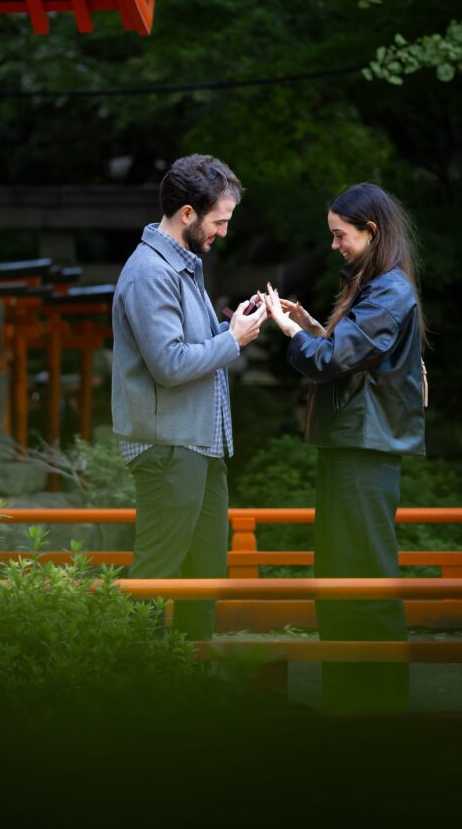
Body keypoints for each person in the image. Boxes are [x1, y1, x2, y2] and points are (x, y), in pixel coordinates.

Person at [264, 182, 427, 714]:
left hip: (366, 445)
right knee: (340, 571)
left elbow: (335, 360)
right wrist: (311, 325)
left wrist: (291, 331)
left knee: (364, 573)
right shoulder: (379, 286)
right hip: (354, 443)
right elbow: (344, 350)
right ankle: (353, 698)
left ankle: (376, 704)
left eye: (341, 235)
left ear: (370, 231)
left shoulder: (390, 290)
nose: (335, 244)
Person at [112, 154, 266, 640]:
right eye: (219, 221)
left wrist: (231, 325)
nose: (222, 231)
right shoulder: (150, 272)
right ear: (187, 214)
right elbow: (171, 364)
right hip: (169, 445)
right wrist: (233, 341)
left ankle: (193, 688)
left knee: (205, 573)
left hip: (198, 442)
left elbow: (188, 347)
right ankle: (138, 685)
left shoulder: (181, 265)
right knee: (157, 573)